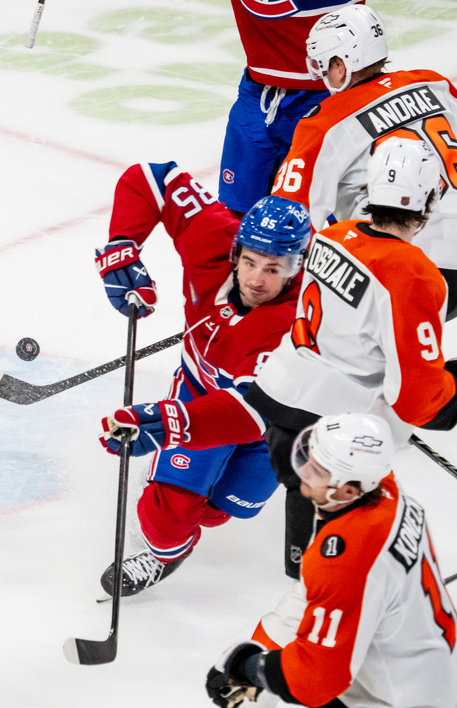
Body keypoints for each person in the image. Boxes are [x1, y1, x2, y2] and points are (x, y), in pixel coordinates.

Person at [245, 137, 457, 581]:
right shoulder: (415, 274)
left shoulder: (331, 234)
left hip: (280, 400)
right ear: (431, 198)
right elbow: (417, 399)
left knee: (307, 554)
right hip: (334, 432)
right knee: (332, 574)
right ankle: (307, 630)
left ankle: (304, 603)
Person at [94, 161, 311, 596]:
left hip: (273, 419)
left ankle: (191, 495)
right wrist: (122, 249)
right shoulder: (212, 235)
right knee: (167, 519)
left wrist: (166, 424)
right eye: (249, 262)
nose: (256, 280)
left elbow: (251, 411)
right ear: (235, 250)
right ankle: (164, 553)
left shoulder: (302, 317)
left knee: (227, 506)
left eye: (274, 269)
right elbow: (151, 179)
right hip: (199, 391)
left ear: (297, 266)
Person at [271, 4, 457, 320]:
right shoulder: (432, 84)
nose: (321, 75)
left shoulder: (323, 124)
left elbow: (288, 219)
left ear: (340, 64)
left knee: (335, 348)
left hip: (396, 271)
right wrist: (439, 205)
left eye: (324, 65)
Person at [204, 412, 457, 708]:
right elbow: (315, 595)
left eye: (316, 469)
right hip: (427, 676)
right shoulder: (383, 491)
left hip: (399, 698)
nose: (302, 469)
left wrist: (250, 668)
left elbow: (314, 680)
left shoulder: (346, 555)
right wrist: (263, 649)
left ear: (348, 488)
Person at [219, 1, 364, 217]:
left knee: (344, 218)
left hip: (334, 98)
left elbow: (271, 7)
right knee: (239, 216)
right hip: (259, 95)